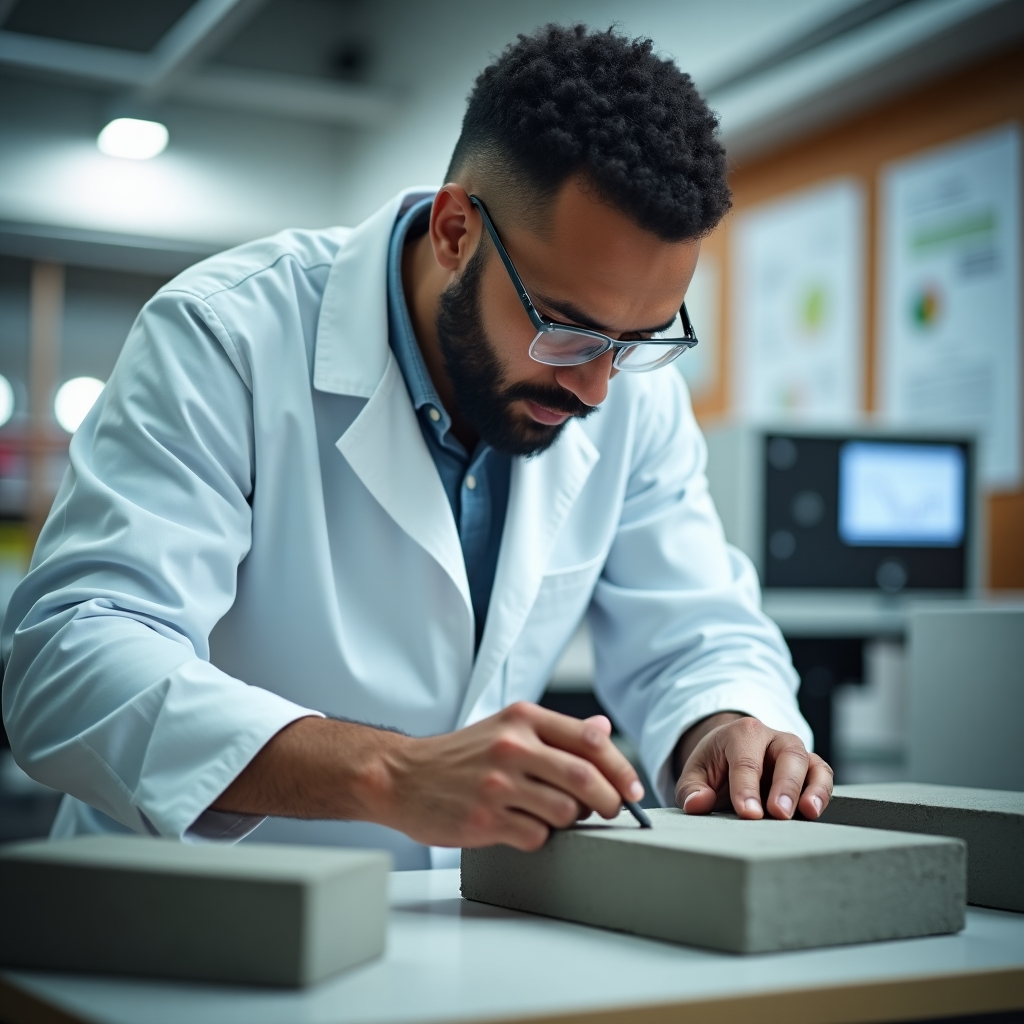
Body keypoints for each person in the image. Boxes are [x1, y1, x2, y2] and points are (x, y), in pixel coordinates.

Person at [1, 24, 831, 869]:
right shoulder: (228, 334)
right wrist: (389, 772)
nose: (597, 388)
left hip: (457, 931)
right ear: (454, 231)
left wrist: (726, 722)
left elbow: (694, 629)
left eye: (641, 338)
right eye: (566, 329)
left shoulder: (630, 391)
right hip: (191, 921)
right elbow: (70, 662)